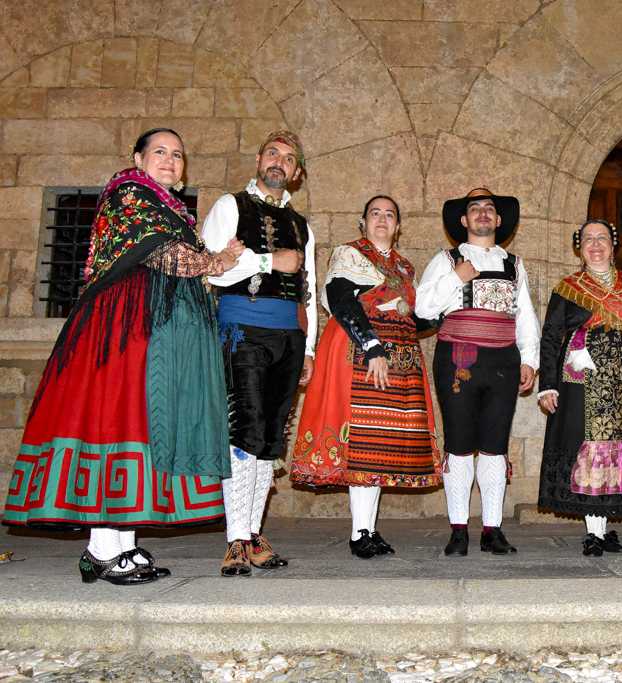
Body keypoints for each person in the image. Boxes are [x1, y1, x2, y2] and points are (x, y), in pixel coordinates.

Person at [3, 128, 239, 584]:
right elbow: (169, 258)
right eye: (160, 152)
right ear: (138, 158)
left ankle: (122, 545)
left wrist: (214, 258)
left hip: (151, 329)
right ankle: (102, 549)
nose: (170, 160)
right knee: (118, 418)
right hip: (124, 325)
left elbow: (180, 256)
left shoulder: (169, 207)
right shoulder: (129, 193)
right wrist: (218, 262)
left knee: (142, 424)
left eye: (177, 154)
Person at [291, 195, 442, 558]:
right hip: (361, 353)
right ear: (362, 221)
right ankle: (360, 531)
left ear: (398, 226)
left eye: (390, 214)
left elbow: (417, 320)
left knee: (379, 445)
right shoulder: (350, 254)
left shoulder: (404, 267)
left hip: (399, 359)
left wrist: (440, 306)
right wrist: (372, 347)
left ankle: (369, 529)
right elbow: (341, 301)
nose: (382, 219)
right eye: (375, 213)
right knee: (363, 440)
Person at [201, 130, 317, 577]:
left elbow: (307, 292)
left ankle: (252, 533)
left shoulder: (303, 226)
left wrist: (309, 347)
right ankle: (235, 538)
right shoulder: (230, 206)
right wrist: (268, 261)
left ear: (296, 172)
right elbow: (211, 268)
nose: (278, 162)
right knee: (244, 431)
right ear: (257, 159)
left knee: (270, 440)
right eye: (272, 153)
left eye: (288, 158)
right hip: (242, 329)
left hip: (288, 336)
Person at [415, 188, 540, 556]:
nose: (483, 213)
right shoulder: (446, 260)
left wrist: (529, 359)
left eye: (489, 208)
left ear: (498, 220)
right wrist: (456, 277)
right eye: (475, 208)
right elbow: (422, 308)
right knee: (458, 443)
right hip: (458, 360)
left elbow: (525, 315)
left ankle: (492, 529)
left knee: (494, 446)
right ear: (464, 220)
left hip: (503, 362)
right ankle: (458, 530)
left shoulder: (514, 264)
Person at [537, 219, 622, 555]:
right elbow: (551, 337)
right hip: (584, 380)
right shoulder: (567, 288)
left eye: (601, 238)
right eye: (588, 239)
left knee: (617, 449)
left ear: (613, 246)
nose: (595, 245)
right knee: (591, 447)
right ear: (579, 248)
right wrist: (547, 385)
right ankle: (594, 532)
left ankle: (603, 527)